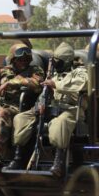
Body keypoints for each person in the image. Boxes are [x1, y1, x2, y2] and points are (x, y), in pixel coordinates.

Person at [9, 42, 89, 177]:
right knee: (21, 118)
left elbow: (82, 84)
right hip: (51, 108)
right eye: (55, 62)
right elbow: (45, 92)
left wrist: (56, 84)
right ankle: (19, 157)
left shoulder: (80, 73)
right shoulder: (54, 74)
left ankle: (59, 162)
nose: (56, 65)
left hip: (71, 110)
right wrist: (40, 104)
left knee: (60, 123)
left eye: (59, 62)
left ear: (67, 61)